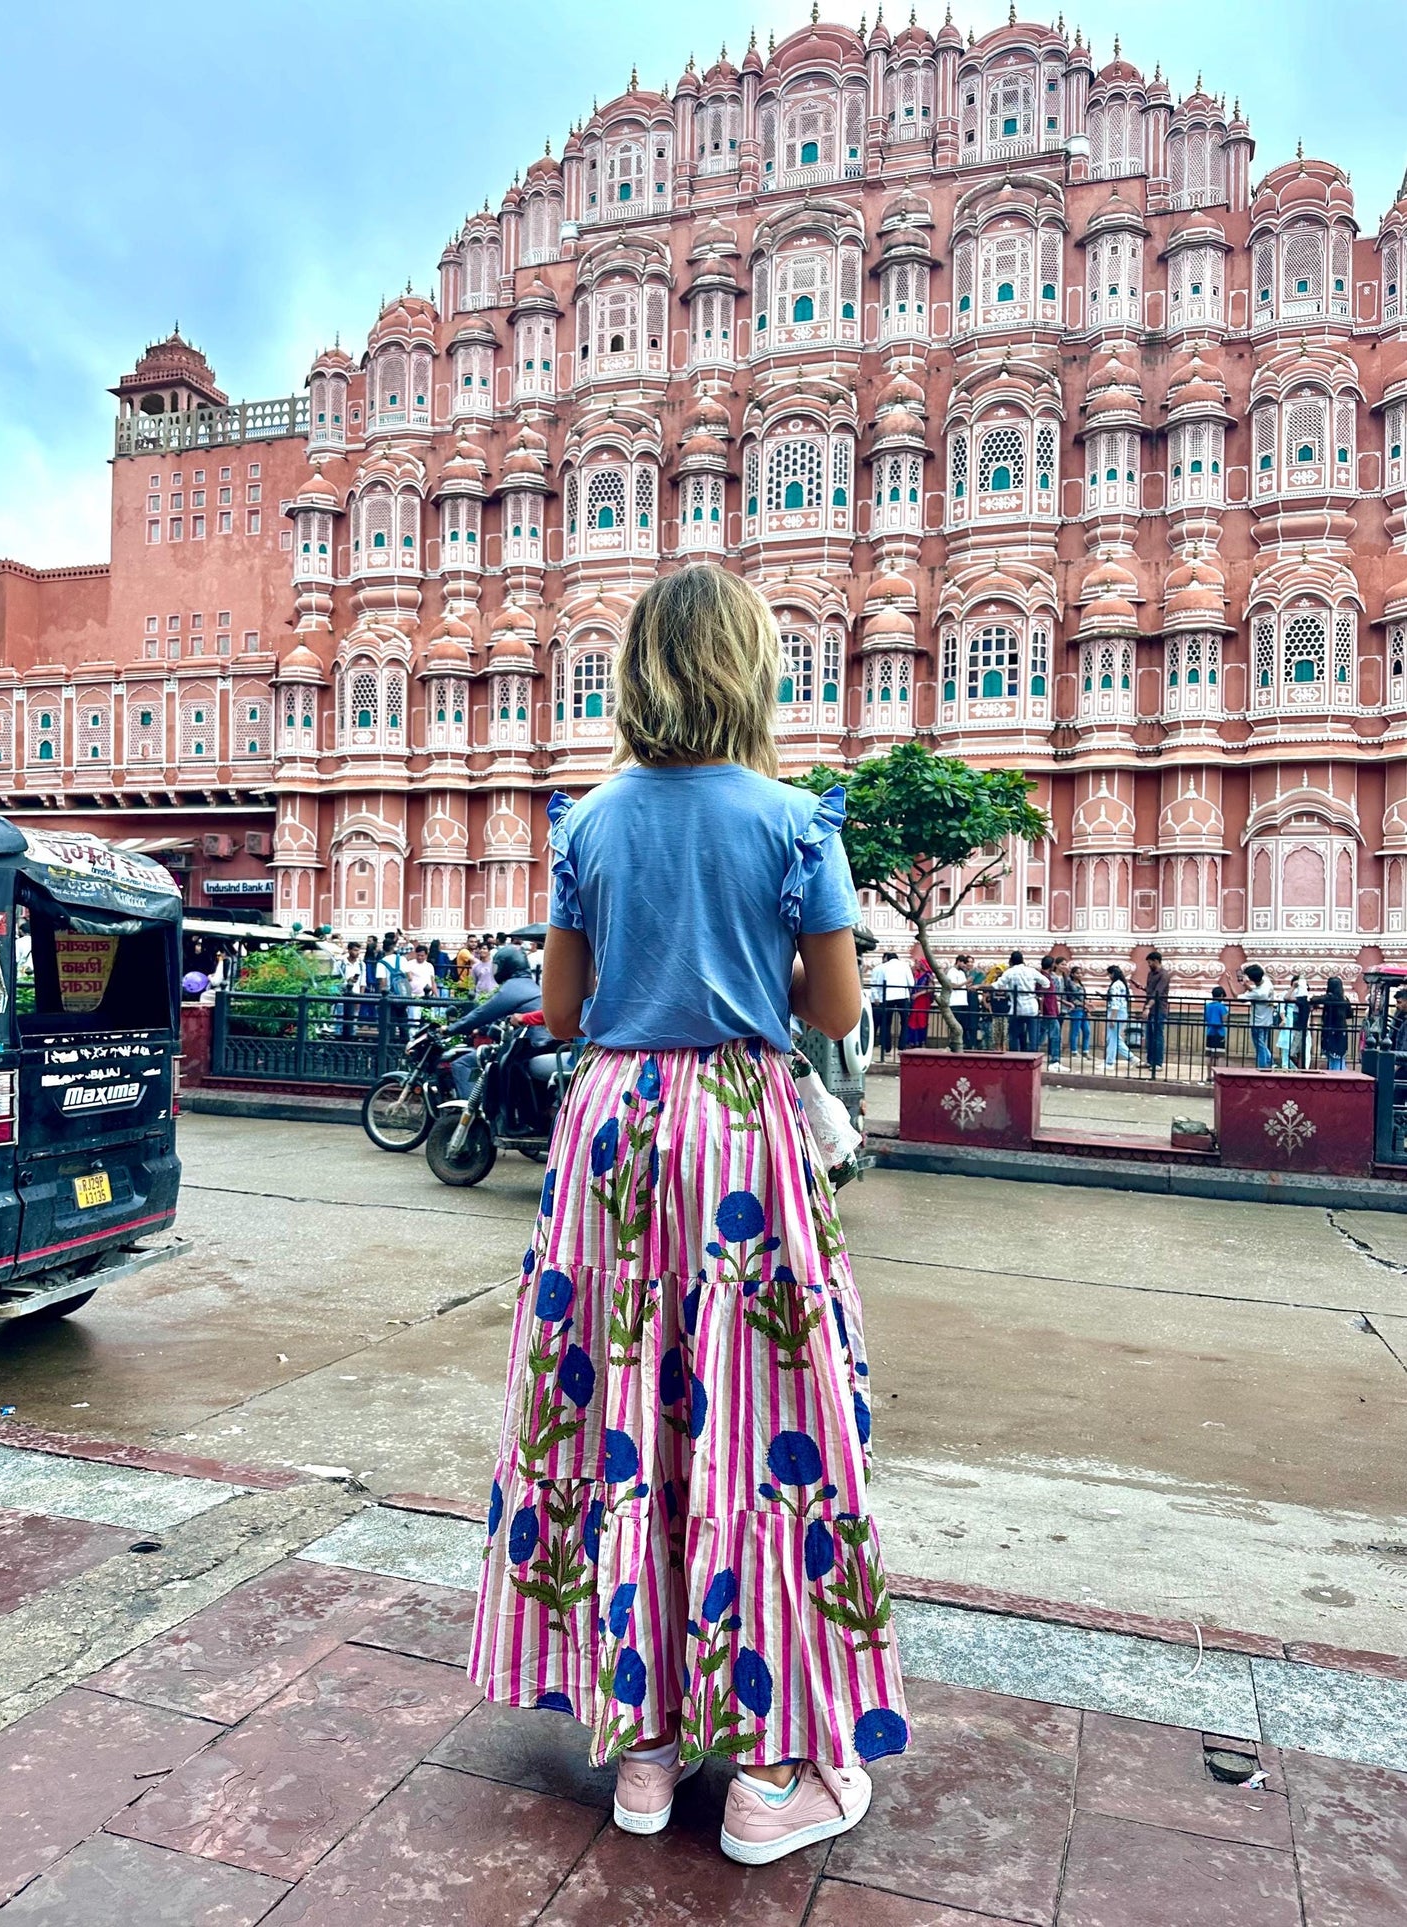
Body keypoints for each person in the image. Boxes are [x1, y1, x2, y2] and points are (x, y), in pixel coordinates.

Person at [470, 568, 908, 1865]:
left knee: (625, 1412)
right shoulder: (792, 821)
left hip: (609, 1126)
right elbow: (831, 1013)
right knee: (760, 1421)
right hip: (731, 1123)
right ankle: (773, 1772)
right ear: (750, 671)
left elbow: (557, 1010)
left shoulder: (589, 821)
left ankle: (646, 1754)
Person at [443, 943, 542, 1098]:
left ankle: (473, 1114)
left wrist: (449, 1029)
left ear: (505, 966)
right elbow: (499, 1018)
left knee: (462, 1063)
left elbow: (482, 1014)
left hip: (528, 1047)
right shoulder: (532, 986)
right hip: (539, 1045)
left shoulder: (513, 988)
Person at [996, 950, 1048, 1052]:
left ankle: (1015, 1057)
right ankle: (1032, 1057)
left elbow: (997, 985)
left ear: (1010, 961)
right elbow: (1046, 983)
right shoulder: (1031, 971)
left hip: (1017, 1008)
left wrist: (979, 986)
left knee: (1013, 1036)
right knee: (1033, 1036)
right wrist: (1036, 993)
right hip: (1031, 1007)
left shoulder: (1009, 972)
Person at [869, 951, 914, 1057]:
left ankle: (887, 1047)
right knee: (904, 1022)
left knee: (886, 1023)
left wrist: (876, 996)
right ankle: (902, 1046)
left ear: (887, 958)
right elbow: (911, 983)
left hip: (887, 996)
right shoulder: (905, 965)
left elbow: (879, 983)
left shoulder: (883, 967)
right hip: (902, 996)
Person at [1237, 963, 1276, 1070]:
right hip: (1267, 1019)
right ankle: (1271, 1062)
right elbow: (1255, 992)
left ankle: (1263, 1067)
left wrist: (1230, 983)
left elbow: (1239, 997)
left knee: (1260, 1046)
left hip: (1258, 1021)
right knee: (1262, 1044)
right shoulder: (1267, 983)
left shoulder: (1259, 993)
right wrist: (1246, 985)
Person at [1139, 950, 1171, 1079]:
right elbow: (1151, 991)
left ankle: (1158, 1062)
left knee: (1158, 1035)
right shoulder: (1150, 974)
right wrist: (1143, 988)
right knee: (1150, 1035)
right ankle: (1150, 1060)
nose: (1149, 964)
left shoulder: (1164, 975)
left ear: (1156, 961)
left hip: (1159, 1008)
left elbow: (1158, 993)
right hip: (1151, 1007)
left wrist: (1147, 1007)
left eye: (1150, 962)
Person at [1312, 975, 1352, 1071]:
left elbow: (1314, 999)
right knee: (1339, 1055)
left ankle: (1336, 1072)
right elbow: (1350, 1013)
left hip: (1332, 1028)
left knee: (1333, 1054)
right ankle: (1339, 1071)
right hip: (1341, 1028)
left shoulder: (1331, 997)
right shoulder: (1344, 999)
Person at [1104, 965, 1134, 1068]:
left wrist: (1112, 1017)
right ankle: (1131, 1058)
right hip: (1122, 1012)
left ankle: (1110, 1062)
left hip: (1116, 1012)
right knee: (1115, 1037)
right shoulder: (1122, 984)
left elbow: (1115, 1002)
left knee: (1112, 1038)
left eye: (1108, 974)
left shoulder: (1115, 985)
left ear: (1112, 974)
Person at [1039, 955, 1064, 1067]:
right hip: (1048, 1010)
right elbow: (1042, 995)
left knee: (1041, 1035)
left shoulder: (1045, 976)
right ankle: (1055, 1059)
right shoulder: (1044, 978)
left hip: (1050, 1009)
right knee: (1055, 1035)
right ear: (1052, 965)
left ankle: (1032, 1053)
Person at [1063, 965, 1090, 1064]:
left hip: (1083, 1009)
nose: (1080, 975)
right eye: (1077, 973)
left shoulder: (1080, 984)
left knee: (1087, 1031)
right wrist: (1084, 1005)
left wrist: (1087, 1006)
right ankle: (1074, 1051)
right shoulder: (1070, 984)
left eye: (1080, 973)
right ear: (1073, 974)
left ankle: (1085, 1051)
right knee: (1075, 1031)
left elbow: (1084, 997)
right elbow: (1072, 997)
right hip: (1076, 1009)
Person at [947, 953, 975, 1049]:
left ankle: (963, 1044)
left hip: (963, 1002)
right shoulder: (951, 972)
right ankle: (953, 1045)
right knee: (955, 1026)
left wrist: (969, 985)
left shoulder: (962, 973)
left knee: (964, 1026)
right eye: (963, 964)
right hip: (955, 1002)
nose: (964, 966)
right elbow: (953, 986)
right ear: (959, 962)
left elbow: (963, 986)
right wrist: (966, 982)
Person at [1204, 985, 1230, 1062]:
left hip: (1209, 1032)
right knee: (1219, 1055)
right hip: (1219, 1033)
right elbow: (1224, 1019)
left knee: (1209, 1055)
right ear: (1221, 995)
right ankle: (1218, 1073)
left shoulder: (1207, 1006)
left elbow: (1206, 1017)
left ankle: (1209, 1073)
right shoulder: (1221, 1006)